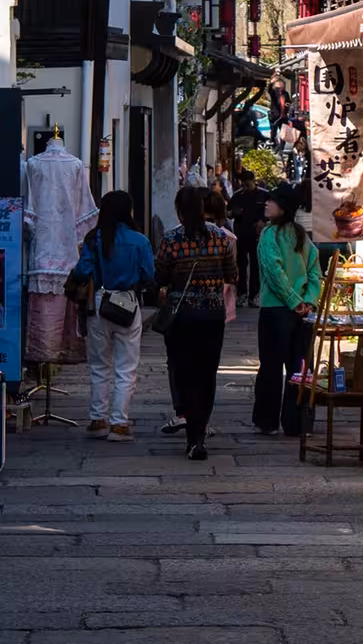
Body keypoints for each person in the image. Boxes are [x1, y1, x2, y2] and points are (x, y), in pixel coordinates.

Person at [154, 184, 237, 460]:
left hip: (182, 318)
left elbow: (161, 277)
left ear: (178, 211)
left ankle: (192, 436)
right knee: (207, 374)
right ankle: (199, 434)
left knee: (185, 373)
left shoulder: (171, 239)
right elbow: (232, 274)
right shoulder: (220, 238)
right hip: (212, 316)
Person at [74, 189, 155, 441]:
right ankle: (119, 423)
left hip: (98, 303)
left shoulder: (93, 238)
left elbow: (81, 270)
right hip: (127, 303)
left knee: (99, 366)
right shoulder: (139, 241)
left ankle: (98, 420)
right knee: (126, 367)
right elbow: (149, 276)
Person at [253, 182, 322, 436]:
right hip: (302, 312)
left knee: (271, 367)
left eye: (272, 201)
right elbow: (316, 272)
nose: (267, 204)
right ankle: (297, 423)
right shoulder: (301, 235)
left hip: (275, 310)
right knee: (299, 367)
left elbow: (274, 273)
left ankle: (267, 420)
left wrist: (294, 301)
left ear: (283, 207)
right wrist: (308, 301)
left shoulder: (269, 234)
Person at [227, 167, 265, 304]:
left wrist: (263, 221)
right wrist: (233, 213)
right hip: (241, 233)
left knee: (256, 265)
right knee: (240, 264)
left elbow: (270, 213)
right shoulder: (237, 196)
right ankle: (242, 293)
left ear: (253, 181)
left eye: (247, 184)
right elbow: (228, 212)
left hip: (257, 235)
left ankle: (254, 295)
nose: (245, 187)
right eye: (243, 184)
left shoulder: (263, 195)